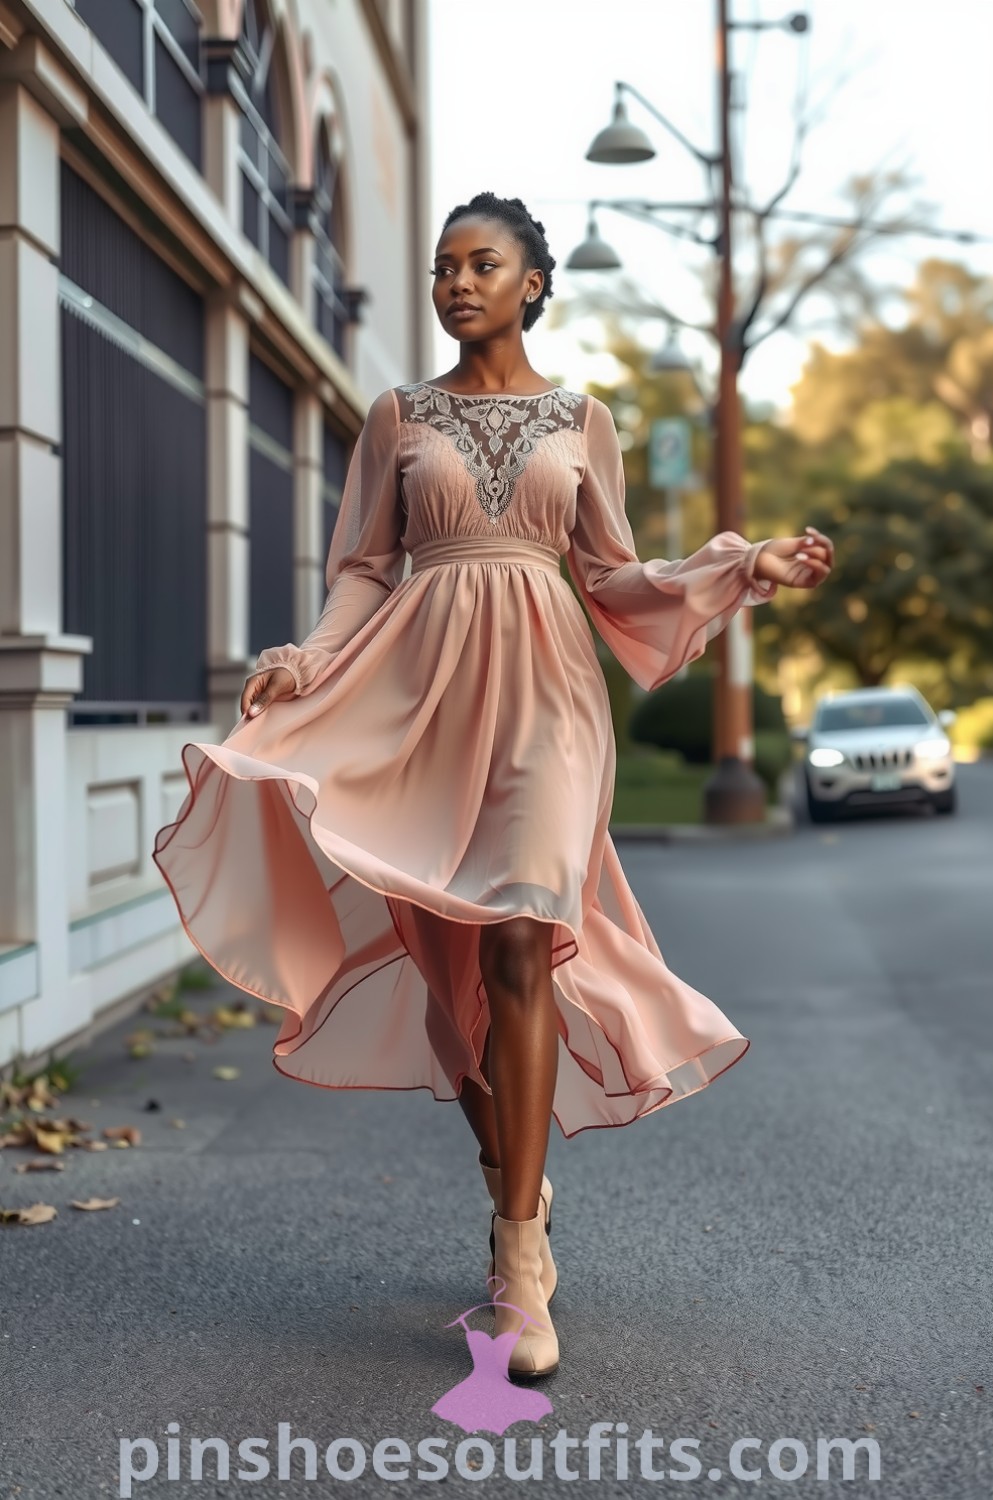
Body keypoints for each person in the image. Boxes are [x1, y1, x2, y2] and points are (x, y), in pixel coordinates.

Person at [152, 191, 833, 1384]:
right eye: (442, 266)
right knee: (452, 973)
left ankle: (521, 1265)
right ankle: (512, 1171)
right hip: (413, 709)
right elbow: (364, 568)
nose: (458, 283)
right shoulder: (395, 416)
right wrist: (309, 657)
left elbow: (614, 577)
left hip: (550, 708)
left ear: (532, 284)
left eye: (483, 265)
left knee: (524, 942)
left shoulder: (584, 419)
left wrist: (740, 569)